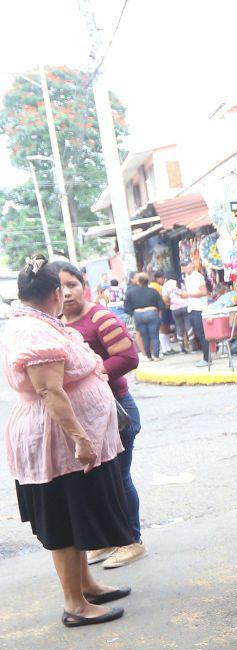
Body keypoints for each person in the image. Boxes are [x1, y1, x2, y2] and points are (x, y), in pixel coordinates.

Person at [1, 256, 133, 627]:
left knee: (76, 514)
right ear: (56, 294)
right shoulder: (34, 333)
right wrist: (81, 438)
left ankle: (86, 585)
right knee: (62, 519)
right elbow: (49, 391)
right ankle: (75, 604)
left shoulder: (41, 324)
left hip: (62, 439)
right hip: (55, 441)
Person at [54, 262, 147, 570]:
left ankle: (132, 540)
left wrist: (90, 375)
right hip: (86, 417)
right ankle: (110, 538)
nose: (67, 293)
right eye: (60, 287)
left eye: (73, 285)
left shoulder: (100, 317)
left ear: (85, 286)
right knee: (100, 481)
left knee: (119, 477)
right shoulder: (57, 323)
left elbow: (128, 357)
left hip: (116, 410)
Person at [123, 272, 167, 362]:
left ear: (138, 282)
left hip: (138, 314)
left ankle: (148, 356)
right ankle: (156, 356)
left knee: (144, 336)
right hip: (152, 313)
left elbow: (126, 307)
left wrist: (134, 313)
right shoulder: (153, 291)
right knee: (154, 336)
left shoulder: (131, 292)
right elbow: (161, 305)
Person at [182, 260, 211, 367]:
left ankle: (207, 358)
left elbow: (203, 292)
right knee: (199, 334)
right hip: (192, 308)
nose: (185, 268)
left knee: (202, 334)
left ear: (192, 265)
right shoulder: (187, 278)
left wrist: (187, 294)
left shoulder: (198, 276)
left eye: (186, 265)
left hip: (199, 308)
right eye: (183, 266)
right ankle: (206, 357)